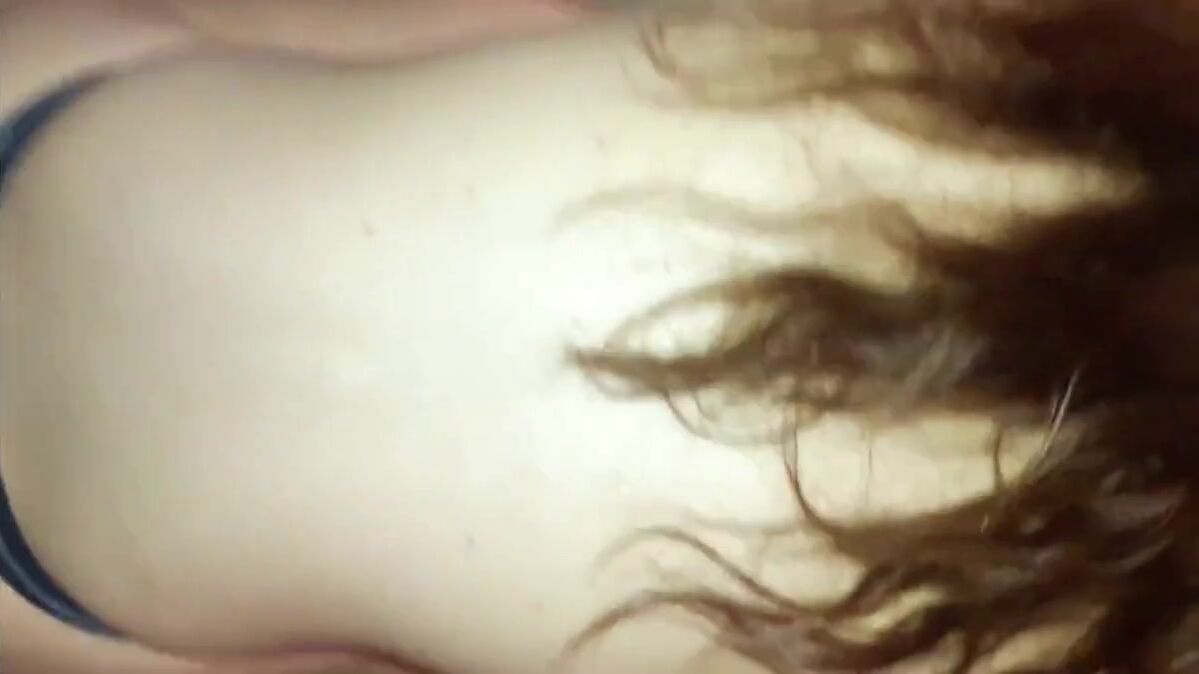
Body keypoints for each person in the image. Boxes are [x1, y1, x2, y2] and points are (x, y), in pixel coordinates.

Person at [4, 0, 1198, 673]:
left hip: (45, 113)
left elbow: (432, 38)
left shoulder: (1007, 60)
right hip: (55, 571)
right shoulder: (1034, 642)